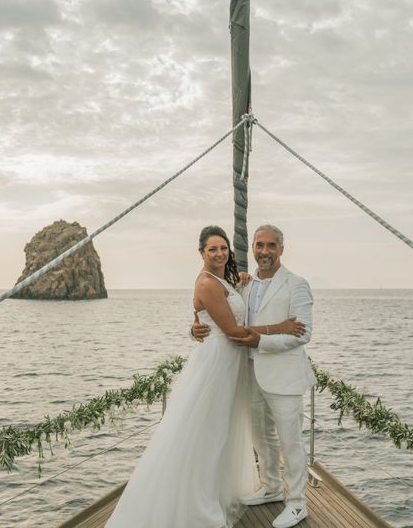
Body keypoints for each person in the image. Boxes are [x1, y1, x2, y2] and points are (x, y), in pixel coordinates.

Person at [106, 226, 304, 528]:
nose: (219, 253)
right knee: (210, 437)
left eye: (223, 248)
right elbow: (234, 331)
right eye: (212, 249)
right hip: (217, 368)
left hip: (233, 366)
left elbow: (220, 316)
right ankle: (199, 507)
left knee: (219, 436)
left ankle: (268, 494)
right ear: (201, 253)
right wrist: (281, 327)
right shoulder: (208, 284)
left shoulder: (232, 281)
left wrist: (201, 322)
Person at [191, 224, 315, 528]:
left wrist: (263, 340)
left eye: (271, 246)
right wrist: (193, 330)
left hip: (283, 375)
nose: (264, 251)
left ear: (281, 249)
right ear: (252, 249)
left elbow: (302, 334)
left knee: (290, 442)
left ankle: (297, 503)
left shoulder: (296, 284)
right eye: (259, 245)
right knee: (262, 438)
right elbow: (219, 319)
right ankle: (272, 488)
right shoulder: (243, 284)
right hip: (249, 373)